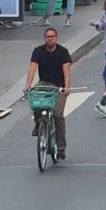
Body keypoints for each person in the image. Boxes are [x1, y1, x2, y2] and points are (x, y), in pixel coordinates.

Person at [23, 28, 72, 161]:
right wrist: (28, 86)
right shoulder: (38, 51)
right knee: (35, 100)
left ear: (56, 38)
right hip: (44, 83)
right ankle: (39, 123)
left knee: (58, 115)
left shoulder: (63, 52)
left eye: (52, 37)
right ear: (44, 38)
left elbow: (66, 71)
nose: (50, 39)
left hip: (59, 86)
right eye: (48, 37)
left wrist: (66, 87)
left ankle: (61, 149)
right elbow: (32, 68)